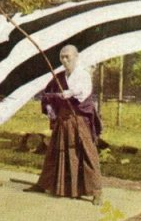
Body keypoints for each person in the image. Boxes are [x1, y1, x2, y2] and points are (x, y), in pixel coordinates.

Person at [24, 44, 103, 205]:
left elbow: (82, 92)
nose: (65, 60)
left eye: (68, 56)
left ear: (76, 57)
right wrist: (50, 106)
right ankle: (44, 184)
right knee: (54, 152)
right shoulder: (59, 77)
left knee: (87, 153)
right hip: (62, 119)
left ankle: (97, 191)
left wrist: (69, 93)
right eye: (62, 57)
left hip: (78, 119)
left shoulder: (83, 75)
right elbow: (47, 94)